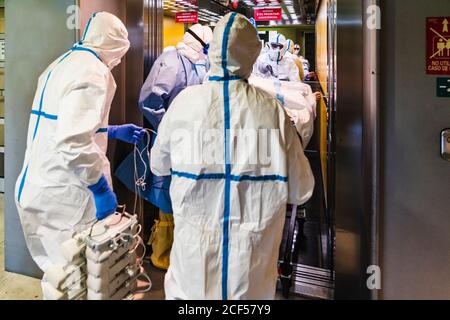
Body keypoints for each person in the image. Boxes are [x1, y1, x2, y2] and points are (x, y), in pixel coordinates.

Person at [151, 12, 315, 300]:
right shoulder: (271, 111)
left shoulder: (184, 104)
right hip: (250, 271)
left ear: (211, 53)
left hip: (192, 270)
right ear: (253, 55)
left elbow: (158, 164)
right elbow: (302, 190)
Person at [14, 12, 144, 299]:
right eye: (120, 53)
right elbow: (72, 141)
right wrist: (99, 187)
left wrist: (109, 131)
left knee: (58, 278)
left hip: (39, 185)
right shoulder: (94, 73)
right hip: (65, 196)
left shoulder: (60, 65)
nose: (119, 61)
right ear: (112, 46)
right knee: (74, 281)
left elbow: (64, 123)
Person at [137, 23, 213, 271]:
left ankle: (182, 254)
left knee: (186, 195)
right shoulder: (172, 59)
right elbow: (150, 101)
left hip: (193, 141)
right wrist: (171, 127)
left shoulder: (197, 62)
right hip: (173, 140)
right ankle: (162, 255)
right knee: (166, 196)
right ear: (199, 45)